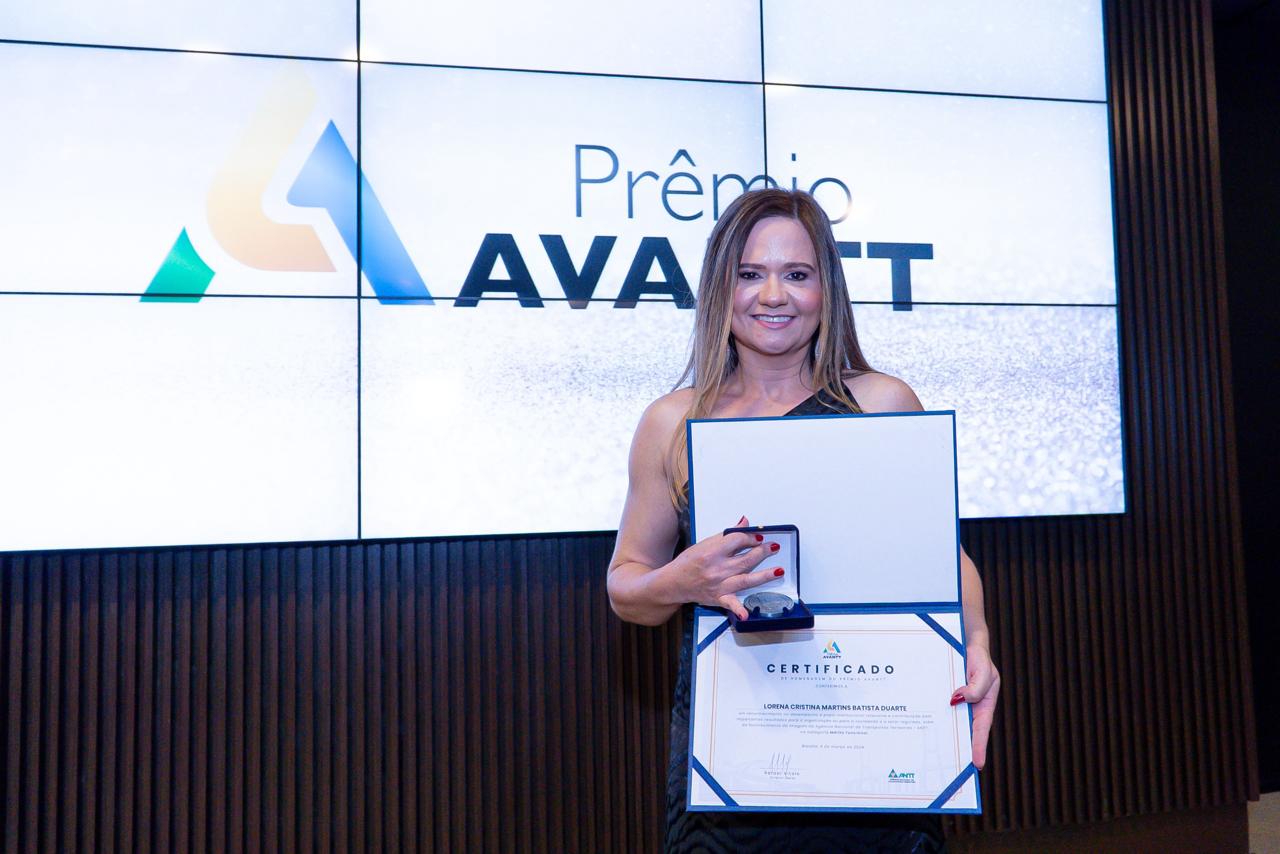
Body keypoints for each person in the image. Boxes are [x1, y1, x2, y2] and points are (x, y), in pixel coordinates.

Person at [606, 188, 1001, 852]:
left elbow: (944, 557)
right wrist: (683, 580)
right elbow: (626, 587)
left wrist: (977, 644)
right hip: (733, 754)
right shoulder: (672, 423)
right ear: (721, 287)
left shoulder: (882, 404)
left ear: (827, 289)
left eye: (796, 273)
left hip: (877, 733)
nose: (773, 295)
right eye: (749, 273)